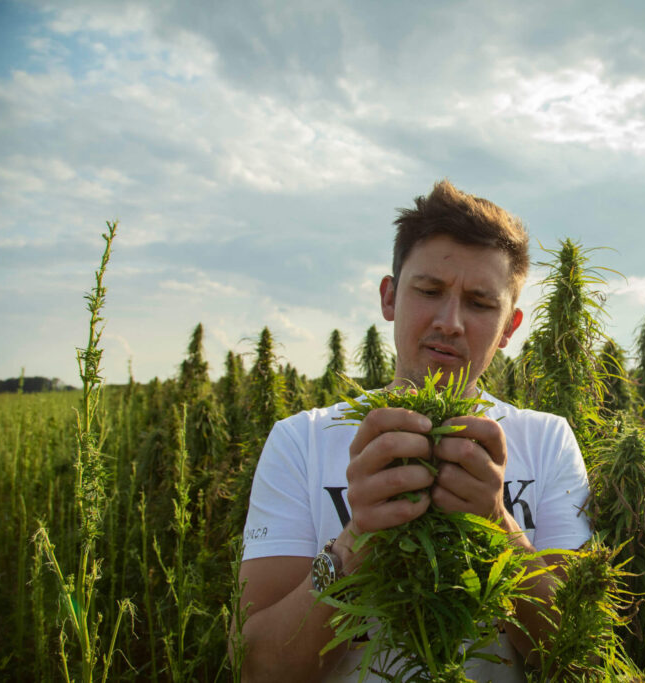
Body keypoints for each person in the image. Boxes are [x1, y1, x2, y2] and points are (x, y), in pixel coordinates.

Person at [233, 180, 592, 682]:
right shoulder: (301, 442)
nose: (450, 322)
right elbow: (258, 667)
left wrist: (497, 525)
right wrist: (356, 541)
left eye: (480, 303)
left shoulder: (547, 441)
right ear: (389, 297)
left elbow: (578, 654)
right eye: (429, 291)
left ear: (509, 328)